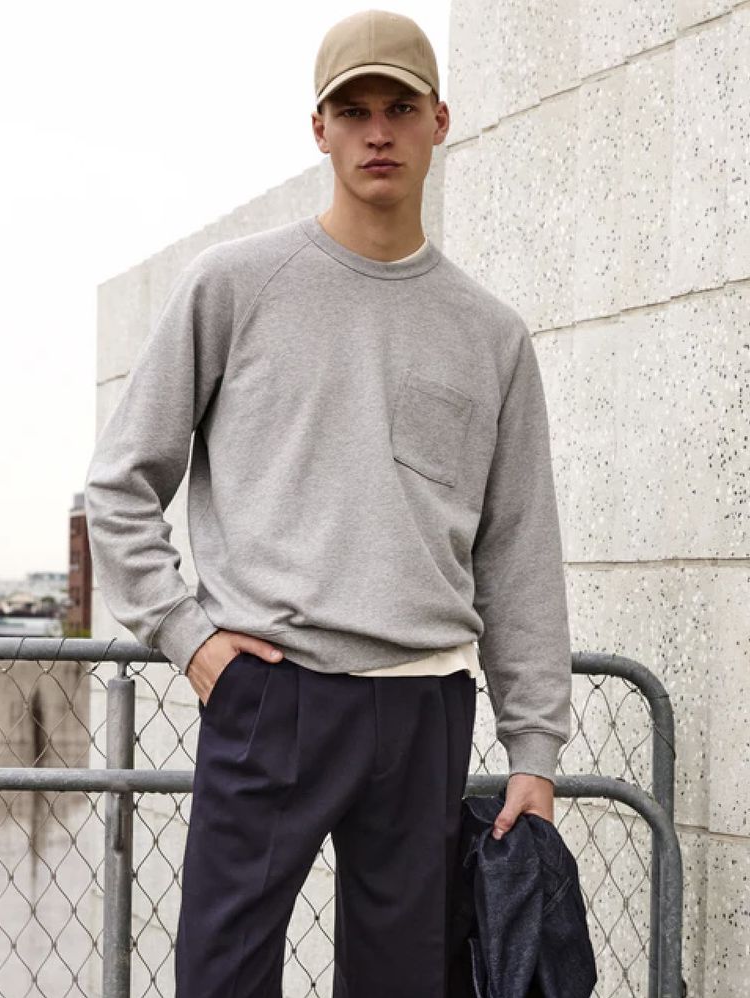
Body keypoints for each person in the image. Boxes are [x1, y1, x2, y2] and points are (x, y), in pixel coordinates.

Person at [83, 9, 572, 997]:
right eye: (352, 110)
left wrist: (533, 749)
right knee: (219, 979)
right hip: (270, 694)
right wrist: (191, 639)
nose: (376, 130)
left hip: (424, 702)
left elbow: (517, 553)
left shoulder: (490, 334)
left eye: (398, 107)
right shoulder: (233, 286)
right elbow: (119, 484)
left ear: (440, 120)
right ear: (318, 129)